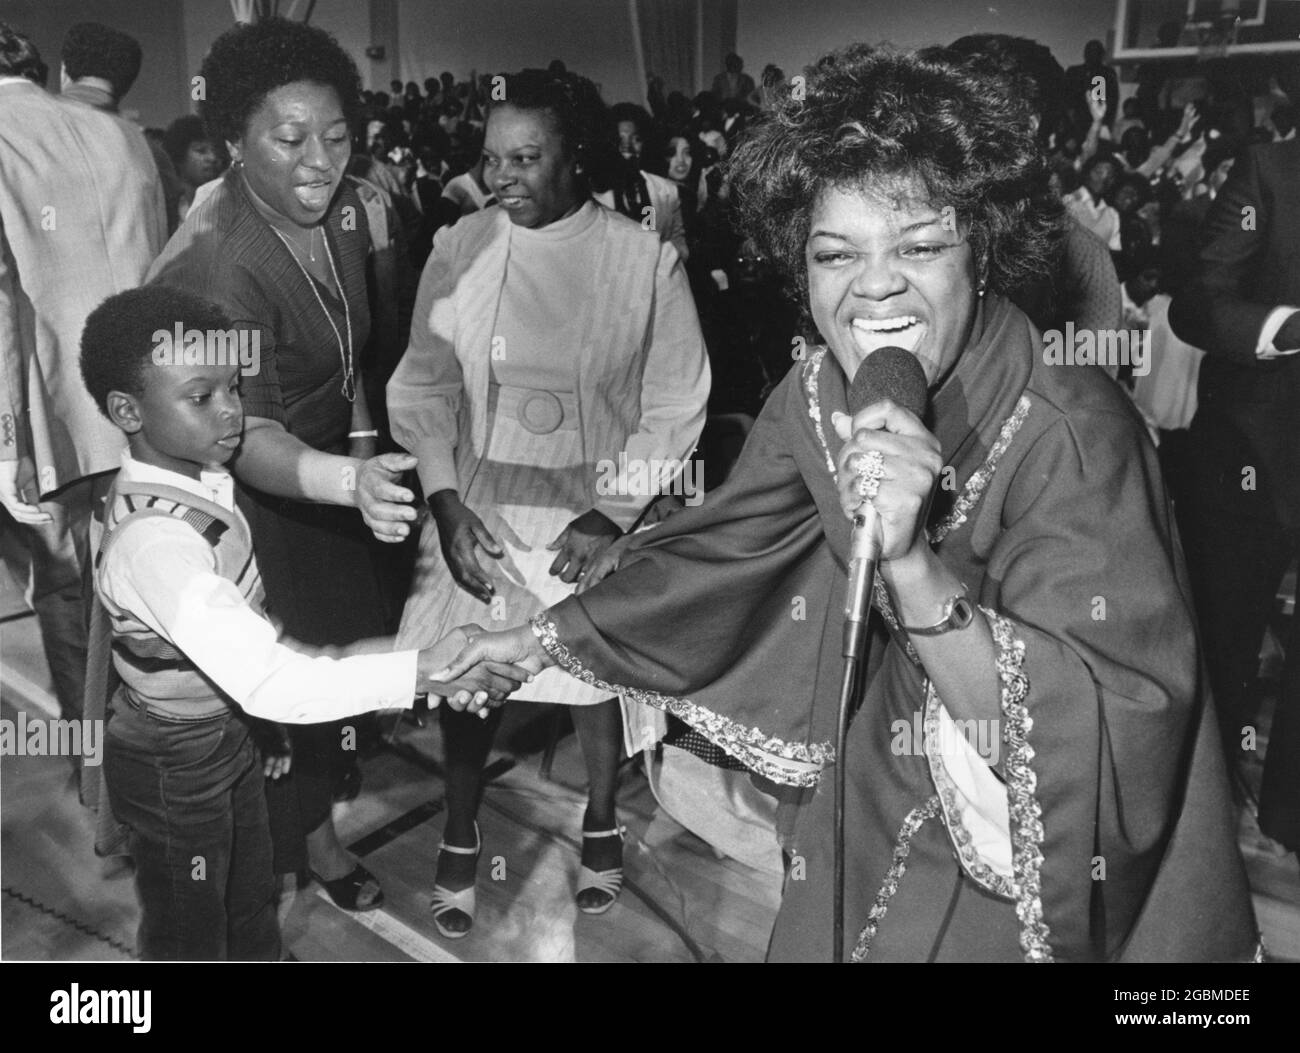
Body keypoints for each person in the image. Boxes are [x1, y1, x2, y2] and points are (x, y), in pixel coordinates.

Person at [436, 45, 1258, 962]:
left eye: (919, 245)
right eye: (836, 253)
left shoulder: (1075, 433)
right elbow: (722, 551)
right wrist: (532, 641)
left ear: (982, 249)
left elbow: (1102, 735)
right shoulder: (821, 389)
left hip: (1027, 849)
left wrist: (909, 565)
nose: (873, 286)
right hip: (869, 786)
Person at [78, 284, 529, 961]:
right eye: (201, 397)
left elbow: (255, 664)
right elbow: (271, 677)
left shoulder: (194, 468)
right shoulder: (156, 545)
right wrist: (423, 666)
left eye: (234, 386)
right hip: (174, 756)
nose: (231, 411)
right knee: (188, 930)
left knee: (251, 889)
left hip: (222, 729)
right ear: (127, 410)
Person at [384, 67, 709, 938]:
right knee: (465, 675)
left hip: (591, 504)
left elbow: (676, 400)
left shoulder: (643, 260)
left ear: (577, 158)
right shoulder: (459, 247)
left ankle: (600, 815)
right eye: (492, 159)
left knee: (589, 678)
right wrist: (445, 500)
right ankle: (460, 828)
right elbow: (423, 385)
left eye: (526, 158)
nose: (503, 179)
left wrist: (613, 510)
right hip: (483, 495)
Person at [147, 17, 419, 912]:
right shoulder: (222, 258)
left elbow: (350, 352)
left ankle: (314, 806)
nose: (321, 161)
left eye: (338, 137)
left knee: (334, 655)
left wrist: (364, 444)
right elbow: (248, 434)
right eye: (291, 139)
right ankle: (308, 847)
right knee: (280, 682)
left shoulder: (340, 207)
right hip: (241, 486)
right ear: (232, 140)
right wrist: (349, 481)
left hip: (321, 466)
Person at [0, 21, 166, 767]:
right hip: (144, 397)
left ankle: (94, 766)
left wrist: (13, 436)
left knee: (65, 595)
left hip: (50, 411)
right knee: (149, 582)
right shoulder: (123, 135)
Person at [1169, 136, 1300, 867]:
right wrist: (1287, 328)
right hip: (1256, 452)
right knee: (1223, 644)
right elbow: (1199, 302)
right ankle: (1194, 826)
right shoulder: (1274, 168)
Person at [162, 114, 226, 225]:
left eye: (217, 151)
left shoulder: (226, 202)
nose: (212, 158)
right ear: (179, 154)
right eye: (201, 150)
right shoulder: (166, 205)